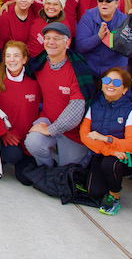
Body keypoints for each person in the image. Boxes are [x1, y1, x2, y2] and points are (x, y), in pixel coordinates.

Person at [25, 23, 94, 167]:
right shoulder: (40, 62)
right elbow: (19, 73)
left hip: (73, 130)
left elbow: (76, 111)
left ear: (67, 42)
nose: (51, 42)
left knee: (68, 167)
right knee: (32, 142)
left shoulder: (78, 68)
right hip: (47, 118)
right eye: (48, 38)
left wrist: (50, 130)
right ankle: (47, 170)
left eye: (57, 38)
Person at [78, 67, 132, 216]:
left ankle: (114, 196)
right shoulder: (94, 105)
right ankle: (107, 184)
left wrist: (106, 139)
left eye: (117, 82)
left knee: (110, 164)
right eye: (106, 80)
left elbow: (131, 144)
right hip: (104, 153)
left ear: (125, 89)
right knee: (93, 192)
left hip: (124, 158)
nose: (110, 85)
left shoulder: (131, 111)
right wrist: (110, 149)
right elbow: (84, 135)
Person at [0, 41, 41, 175]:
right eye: (8, 56)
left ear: (24, 59)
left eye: (16, 56)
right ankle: (1, 156)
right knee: (13, 155)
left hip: (28, 139)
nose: (12, 60)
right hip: (7, 136)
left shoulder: (35, 81)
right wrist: (3, 133)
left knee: (25, 179)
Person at [74, 0, 128, 78]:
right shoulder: (88, 17)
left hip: (116, 72)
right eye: (101, 0)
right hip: (90, 71)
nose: (104, 3)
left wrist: (108, 38)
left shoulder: (124, 20)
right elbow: (80, 46)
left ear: (116, 4)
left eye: (108, 1)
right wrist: (98, 37)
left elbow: (128, 49)